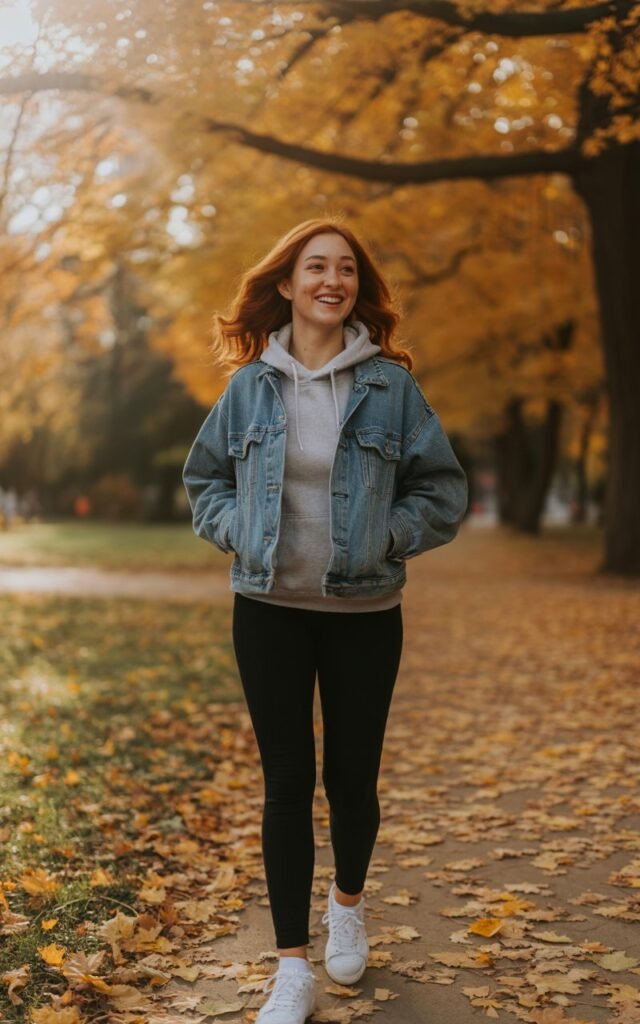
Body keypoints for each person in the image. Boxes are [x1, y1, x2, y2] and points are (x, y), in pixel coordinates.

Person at [182, 218, 468, 1024]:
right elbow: (204, 480)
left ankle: (347, 903)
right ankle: (291, 967)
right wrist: (239, 531)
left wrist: (387, 536)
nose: (331, 281)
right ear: (287, 283)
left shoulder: (391, 388)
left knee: (351, 778)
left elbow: (441, 492)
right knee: (285, 782)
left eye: (345, 269)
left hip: (364, 613)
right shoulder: (249, 387)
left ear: (356, 288)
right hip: (267, 611)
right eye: (316, 267)